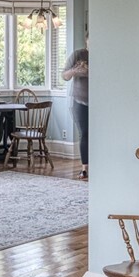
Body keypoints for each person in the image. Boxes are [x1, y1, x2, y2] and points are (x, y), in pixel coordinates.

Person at [61, 34, 89, 180]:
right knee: (84, 133)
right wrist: (75, 71)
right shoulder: (78, 55)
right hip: (80, 101)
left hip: (101, 102)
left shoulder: (105, 54)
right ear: (87, 40)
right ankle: (85, 168)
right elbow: (65, 76)